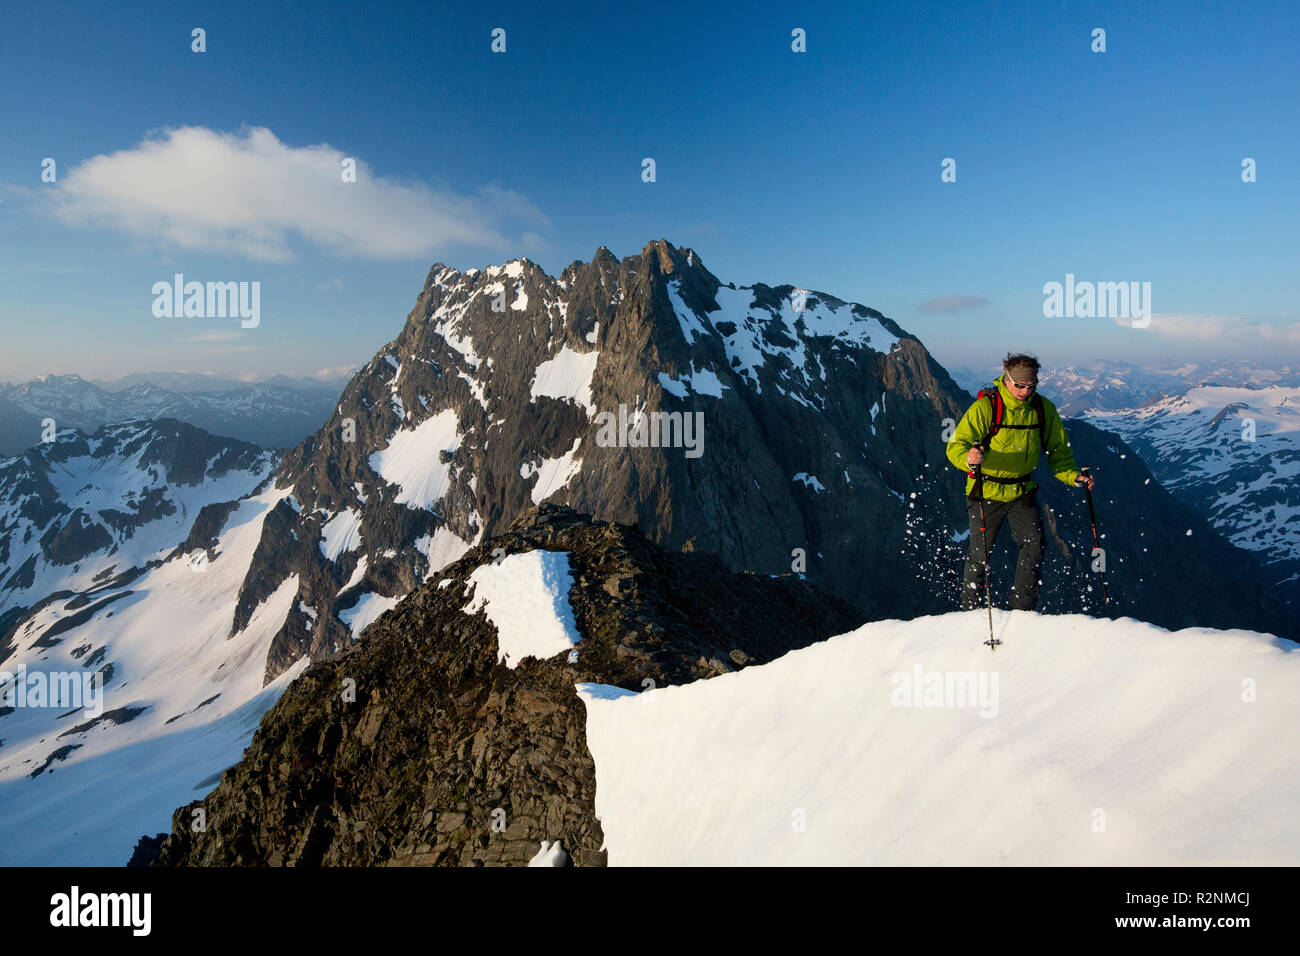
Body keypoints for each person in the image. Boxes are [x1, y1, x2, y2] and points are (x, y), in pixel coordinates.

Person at [945, 352, 1095, 611]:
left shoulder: (1042, 409)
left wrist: (1073, 476)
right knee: (980, 555)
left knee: (1035, 546)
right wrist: (969, 458)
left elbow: (1058, 451)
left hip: (1021, 491)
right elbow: (956, 445)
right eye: (1020, 386)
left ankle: (1022, 611)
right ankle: (970, 612)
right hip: (986, 490)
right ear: (1007, 379)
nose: (1025, 392)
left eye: (1031, 386)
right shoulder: (986, 407)